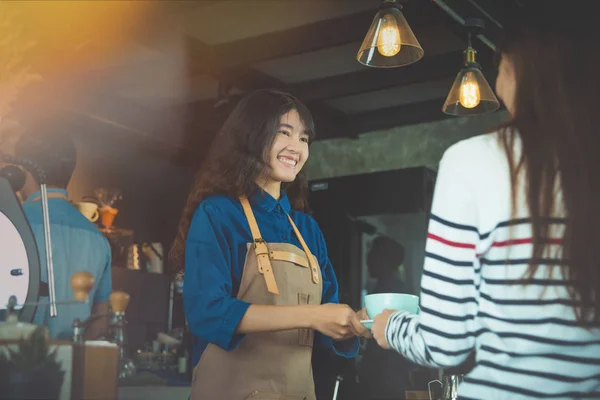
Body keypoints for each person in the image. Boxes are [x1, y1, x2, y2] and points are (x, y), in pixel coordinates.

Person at [371, 2, 600, 398]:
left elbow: (446, 342)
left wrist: (389, 326)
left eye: (497, 66)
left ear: (515, 67)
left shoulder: (471, 162)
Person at [170, 89, 366, 400]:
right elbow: (206, 312)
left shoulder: (307, 230)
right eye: (283, 133)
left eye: (304, 139)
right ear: (251, 137)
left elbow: (327, 318)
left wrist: (358, 323)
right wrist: (312, 315)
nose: (296, 148)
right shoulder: (219, 213)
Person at [15, 131, 112, 340]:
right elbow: (100, 324)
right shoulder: (98, 239)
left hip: (10, 365)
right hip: (68, 367)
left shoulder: (8, 224)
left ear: (23, 170)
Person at [359, 236, 412, 400]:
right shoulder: (387, 287)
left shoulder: (390, 293)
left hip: (387, 379)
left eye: (373, 256)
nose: (367, 262)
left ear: (386, 260)